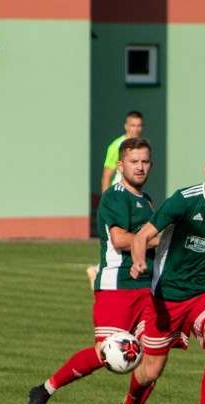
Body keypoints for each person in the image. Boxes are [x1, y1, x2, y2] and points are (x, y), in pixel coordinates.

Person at [106, 143, 205, 404]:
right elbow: (142, 236)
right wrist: (139, 261)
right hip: (168, 295)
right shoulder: (184, 200)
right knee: (150, 371)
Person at [27, 137, 157, 404]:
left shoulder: (146, 201)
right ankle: (44, 390)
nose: (140, 167)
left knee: (152, 356)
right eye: (134, 162)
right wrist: (160, 238)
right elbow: (120, 239)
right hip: (117, 287)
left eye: (145, 161)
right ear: (120, 165)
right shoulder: (115, 196)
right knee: (107, 354)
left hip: (147, 288)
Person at [88, 111, 146, 287]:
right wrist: (106, 201)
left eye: (139, 126)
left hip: (131, 196)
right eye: (133, 125)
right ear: (126, 126)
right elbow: (106, 175)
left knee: (130, 235)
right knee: (121, 237)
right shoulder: (117, 146)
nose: (136, 129)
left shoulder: (141, 147)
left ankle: (99, 269)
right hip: (119, 197)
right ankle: (99, 270)